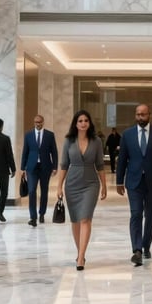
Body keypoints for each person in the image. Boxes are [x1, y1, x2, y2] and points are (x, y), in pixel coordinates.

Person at [116, 104, 152, 266]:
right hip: (133, 181)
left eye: (143, 114)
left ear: (150, 115)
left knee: (150, 215)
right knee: (136, 214)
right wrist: (119, 180)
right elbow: (122, 159)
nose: (140, 117)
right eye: (138, 114)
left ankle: (146, 245)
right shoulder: (127, 134)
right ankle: (137, 250)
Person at [56, 110, 107, 270]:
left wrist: (104, 185)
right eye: (80, 121)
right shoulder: (68, 141)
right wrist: (59, 186)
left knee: (85, 218)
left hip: (91, 183)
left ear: (90, 123)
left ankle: (80, 257)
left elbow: (100, 164)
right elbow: (64, 165)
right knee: (76, 220)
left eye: (86, 120)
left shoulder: (96, 141)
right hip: (72, 183)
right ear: (75, 124)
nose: (83, 123)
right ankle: (80, 254)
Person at [20, 114, 59, 226]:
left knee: (44, 191)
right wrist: (23, 168)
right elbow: (25, 152)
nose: (38, 124)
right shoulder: (28, 135)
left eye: (40, 122)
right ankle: (33, 217)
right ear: (34, 122)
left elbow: (54, 152)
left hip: (45, 167)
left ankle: (42, 213)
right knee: (31, 191)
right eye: (36, 122)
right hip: (31, 167)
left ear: (43, 122)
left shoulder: (49, 135)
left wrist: (55, 167)